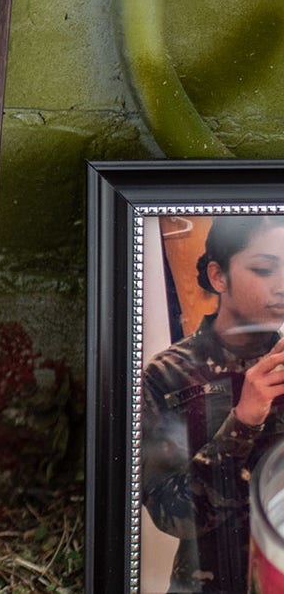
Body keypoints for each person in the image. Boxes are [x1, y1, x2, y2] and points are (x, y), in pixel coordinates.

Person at [142, 214, 284, 592]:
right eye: (265, 269)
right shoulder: (168, 374)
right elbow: (169, 514)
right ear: (219, 276)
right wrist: (243, 422)